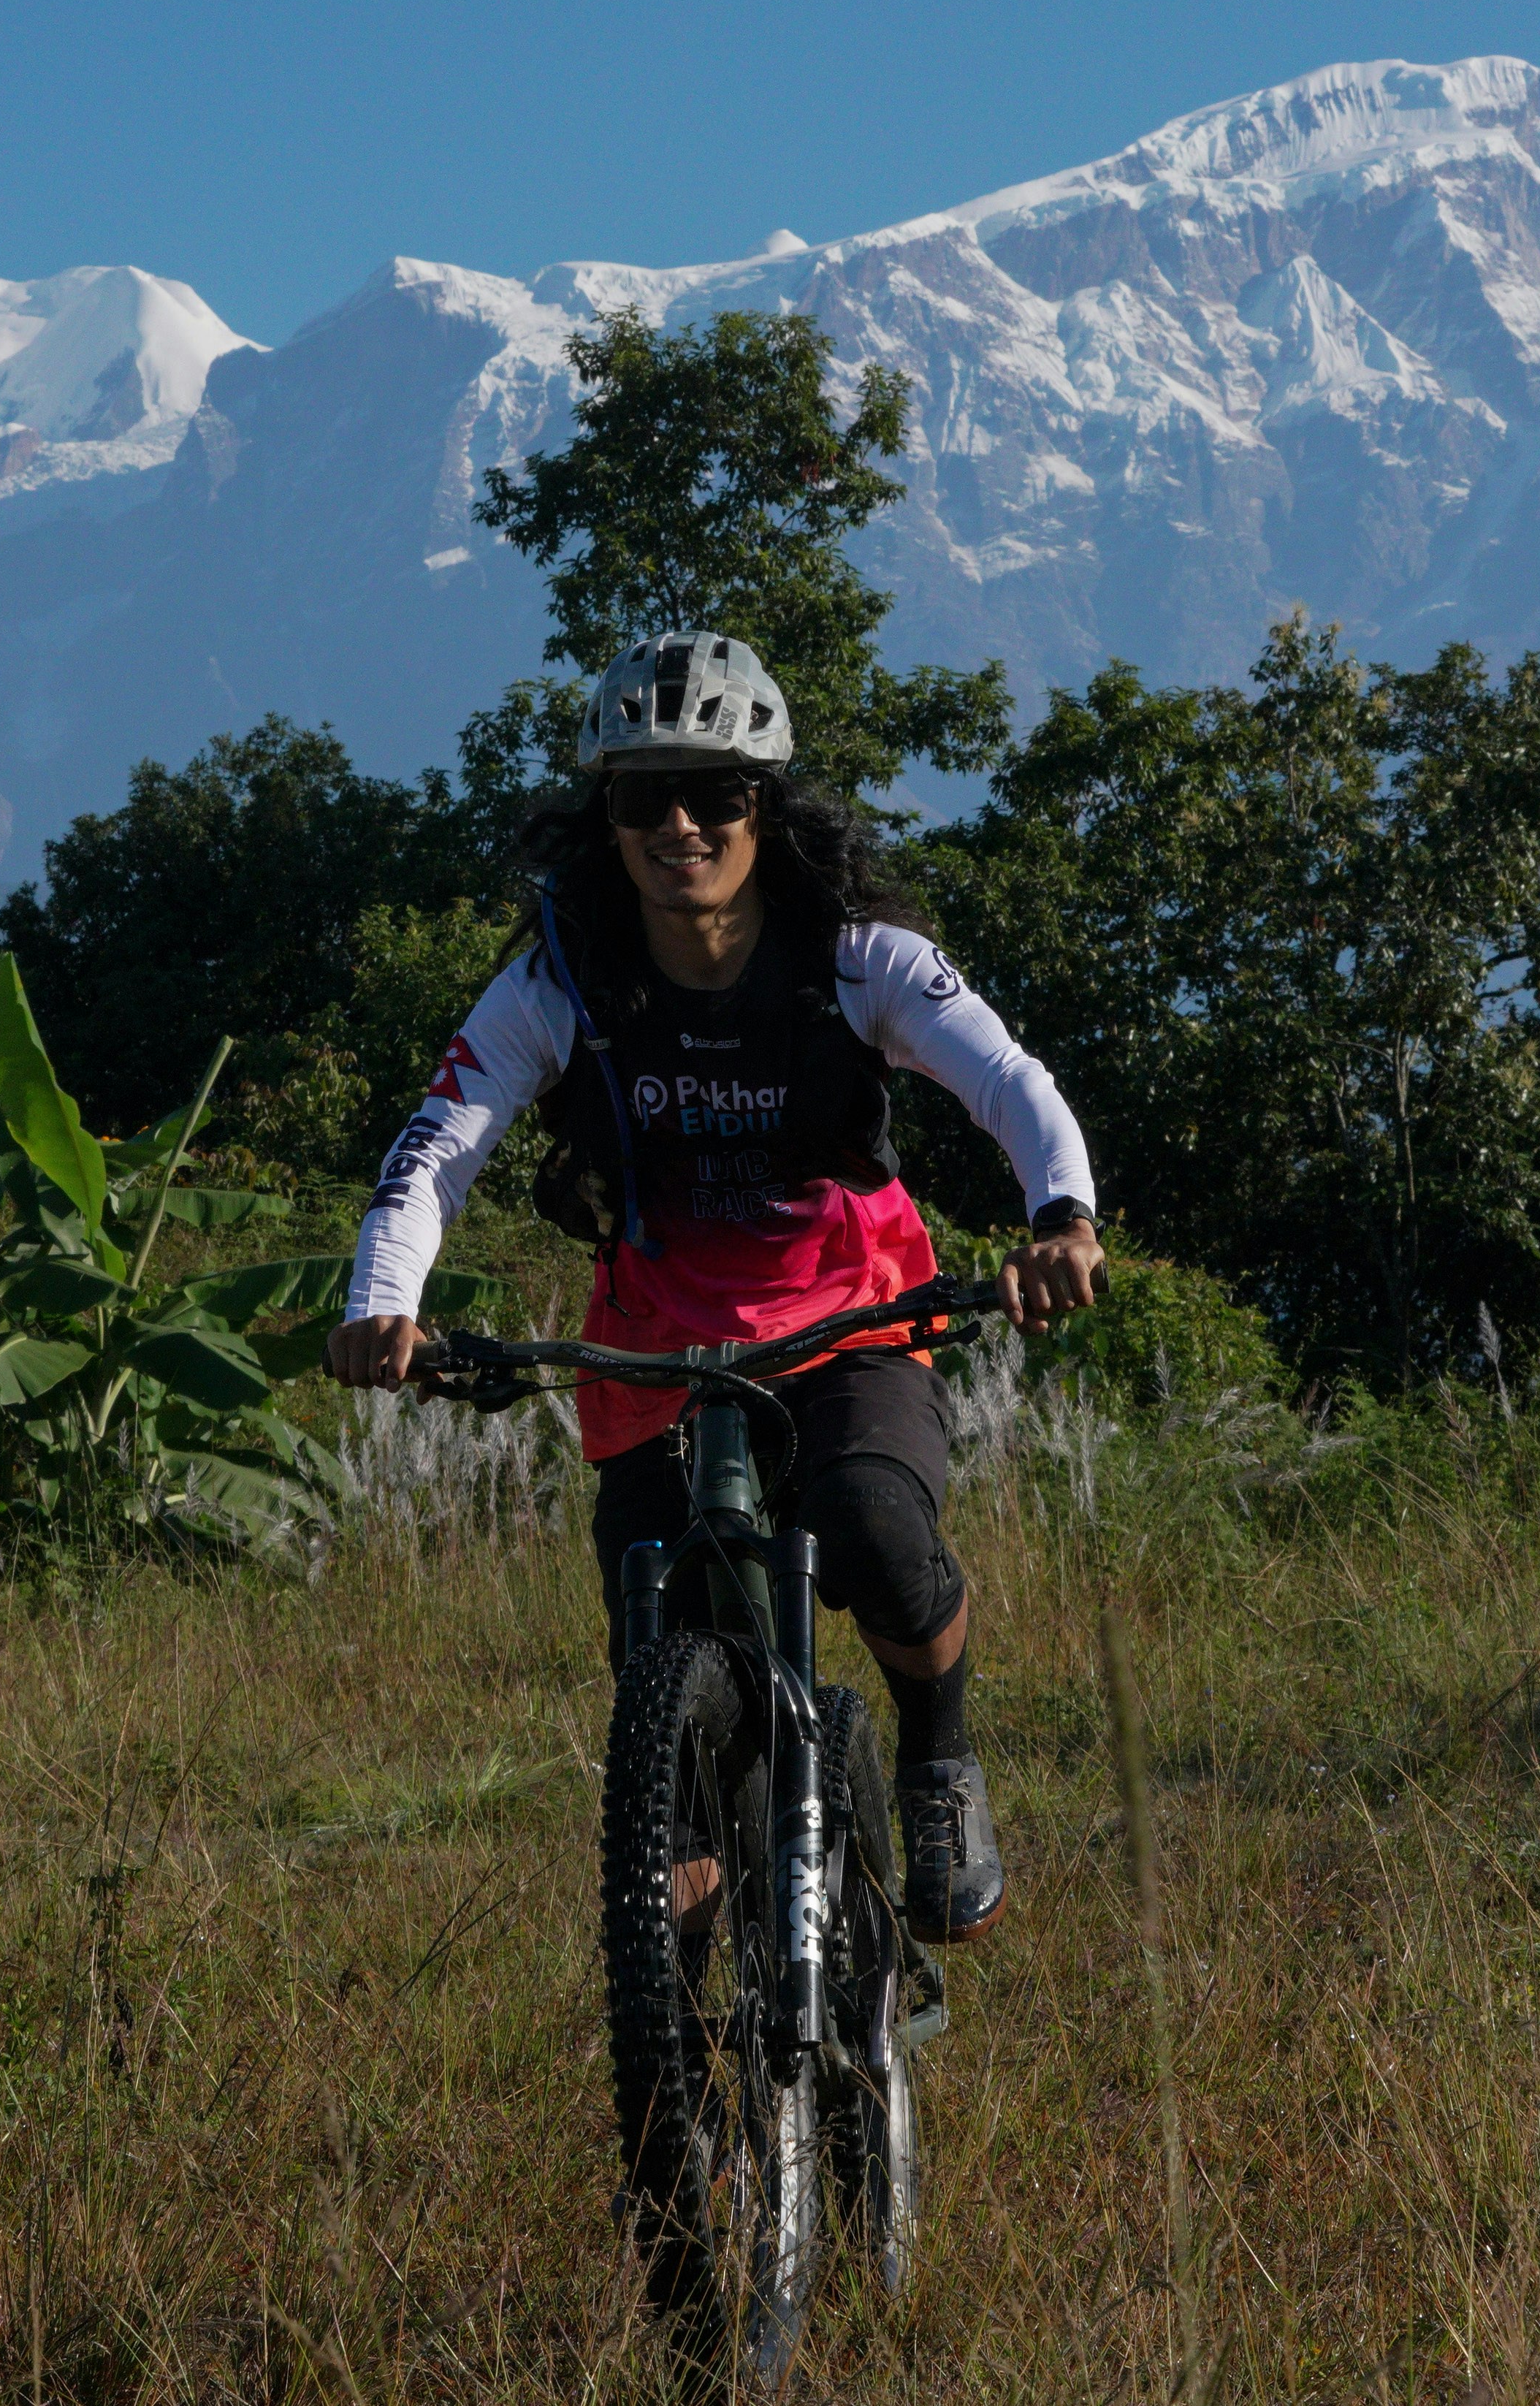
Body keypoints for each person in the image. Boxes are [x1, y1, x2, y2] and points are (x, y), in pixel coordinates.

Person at [329, 628, 1105, 1944]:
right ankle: (686, 2077)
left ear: (766, 809)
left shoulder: (859, 959)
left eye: (715, 795)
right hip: (657, 1352)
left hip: (850, 1320)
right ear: (607, 819)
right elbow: (435, 1149)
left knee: (872, 1530)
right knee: (661, 1685)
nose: (679, 823)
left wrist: (1063, 1218)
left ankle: (938, 1763)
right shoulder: (560, 984)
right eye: (643, 796)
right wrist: (380, 1305)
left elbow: (1012, 1086)